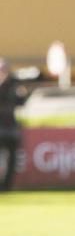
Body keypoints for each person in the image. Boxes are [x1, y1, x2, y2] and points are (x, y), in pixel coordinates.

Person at [0, 58, 33, 191]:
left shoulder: (14, 84)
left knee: (12, 158)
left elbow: (21, 102)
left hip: (10, 127)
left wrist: (24, 93)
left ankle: (6, 186)